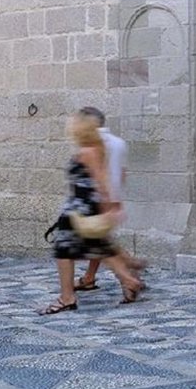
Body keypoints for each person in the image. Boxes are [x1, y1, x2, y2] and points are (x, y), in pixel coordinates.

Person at [38, 110, 142, 313]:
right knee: (100, 248)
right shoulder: (94, 148)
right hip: (82, 206)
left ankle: (67, 298)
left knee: (64, 250)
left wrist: (109, 208)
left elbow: (101, 181)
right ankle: (129, 279)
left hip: (81, 207)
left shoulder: (89, 151)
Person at [74, 105, 145, 293]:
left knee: (99, 244)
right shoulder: (119, 143)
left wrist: (102, 200)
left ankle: (129, 274)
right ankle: (91, 277)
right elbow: (121, 173)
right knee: (99, 241)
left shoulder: (91, 143)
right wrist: (117, 199)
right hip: (111, 198)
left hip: (94, 199)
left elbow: (96, 175)